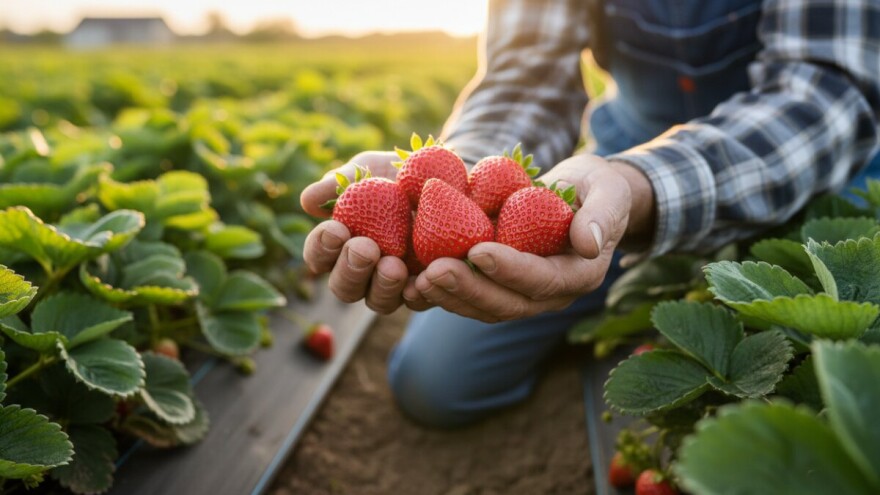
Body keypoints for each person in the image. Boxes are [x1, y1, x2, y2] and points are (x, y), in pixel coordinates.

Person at [300, 0, 880, 428]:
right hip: (617, 160)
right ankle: (633, 306)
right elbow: (527, 73)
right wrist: (467, 171)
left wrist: (640, 186)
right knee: (434, 382)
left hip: (816, 162)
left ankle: (660, 314)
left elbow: (825, 89)